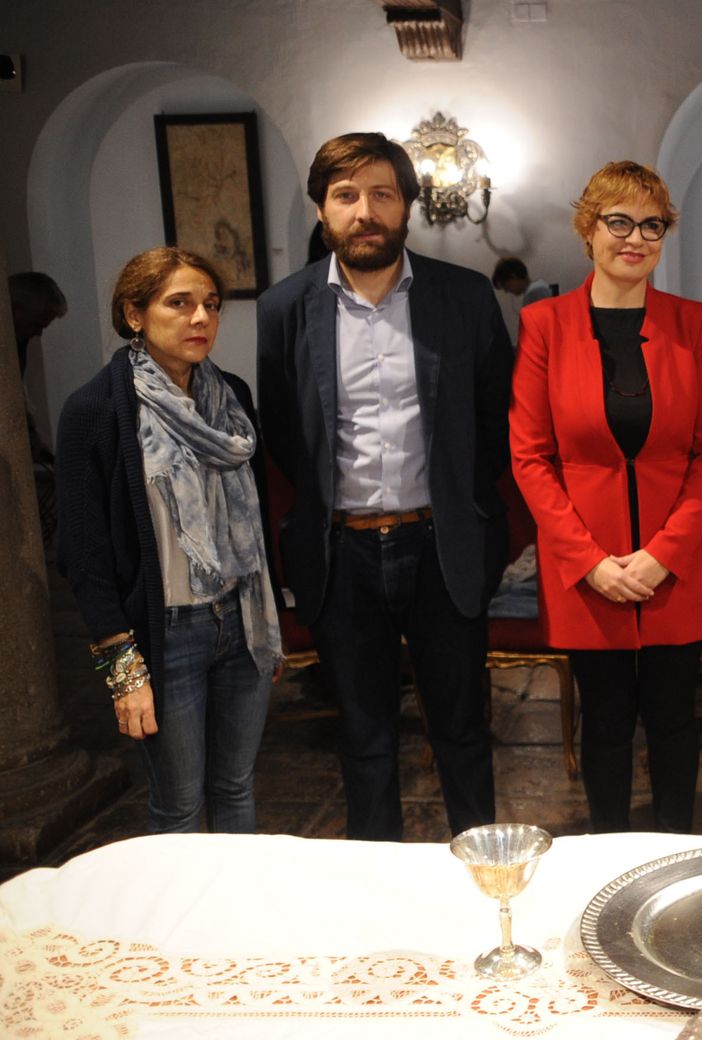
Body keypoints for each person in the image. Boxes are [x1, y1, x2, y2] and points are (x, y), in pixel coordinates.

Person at [257, 132, 512, 841]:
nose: (364, 212)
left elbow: (495, 421)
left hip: (440, 546)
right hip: (341, 556)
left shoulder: (464, 297)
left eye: (381, 194)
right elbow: (286, 435)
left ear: (407, 206)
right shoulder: (284, 308)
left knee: (462, 730)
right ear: (321, 210)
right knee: (364, 739)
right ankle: (377, 885)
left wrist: (461, 507)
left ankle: (481, 875)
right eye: (346, 196)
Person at [510, 161, 702, 833]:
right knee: (604, 723)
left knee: (674, 721)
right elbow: (530, 456)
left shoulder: (697, 325)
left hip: (678, 564)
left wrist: (664, 554)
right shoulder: (545, 325)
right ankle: (607, 856)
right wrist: (589, 561)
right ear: (588, 230)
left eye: (651, 225)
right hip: (589, 569)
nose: (635, 238)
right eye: (619, 222)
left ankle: (674, 856)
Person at [56, 247, 281, 833]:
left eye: (211, 304)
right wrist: (123, 669)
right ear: (134, 314)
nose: (201, 317)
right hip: (167, 633)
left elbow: (257, 522)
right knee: (179, 805)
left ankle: (232, 897)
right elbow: (83, 553)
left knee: (236, 786)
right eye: (178, 303)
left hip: (241, 620)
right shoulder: (94, 410)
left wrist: (270, 619)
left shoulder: (231, 398)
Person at [10, 271, 68, 549]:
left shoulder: (19, 341)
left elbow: (15, 390)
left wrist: (29, 429)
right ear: (15, 309)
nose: (39, 333)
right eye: (37, 324)